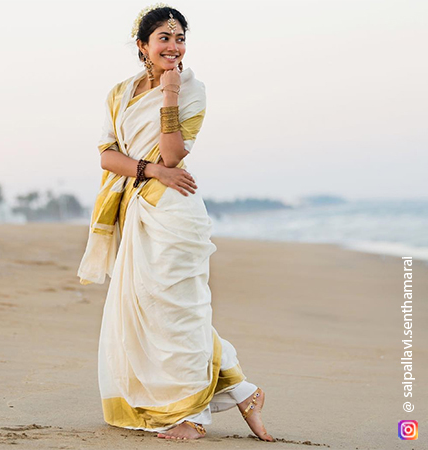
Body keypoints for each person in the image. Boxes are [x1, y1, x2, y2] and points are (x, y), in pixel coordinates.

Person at [77, 4, 275, 442]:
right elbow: (108, 155)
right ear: (142, 46)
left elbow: (173, 155)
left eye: (180, 38)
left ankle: (195, 417)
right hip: (140, 207)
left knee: (181, 309)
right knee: (152, 309)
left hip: (176, 213)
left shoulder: (192, 89)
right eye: (164, 38)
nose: (173, 46)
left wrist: (169, 94)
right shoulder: (121, 92)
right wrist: (149, 171)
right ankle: (244, 393)